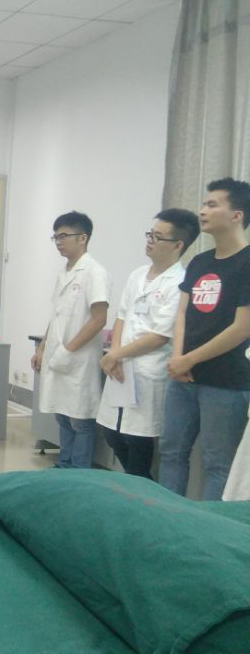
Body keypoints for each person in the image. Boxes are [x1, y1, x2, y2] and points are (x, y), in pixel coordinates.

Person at [160, 178, 250, 501]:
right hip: (183, 376)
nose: (202, 211)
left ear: (237, 215)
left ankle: (208, 524)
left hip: (226, 381)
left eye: (212, 205)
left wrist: (189, 359)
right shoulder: (200, 262)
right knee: (171, 451)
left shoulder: (247, 262)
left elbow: (242, 328)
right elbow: (182, 313)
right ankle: (167, 516)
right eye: (203, 204)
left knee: (217, 464)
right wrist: (178, 358)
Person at [97, 209, 198, 479]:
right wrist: (115, 354)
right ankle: (139, 484)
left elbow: (160, 335)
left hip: (147, 370)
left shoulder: (180, 282)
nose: (150, 241)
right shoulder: (137, 275)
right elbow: (121, 316)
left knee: (137, 439)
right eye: (150, 234)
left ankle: (139, 489)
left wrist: (116, 355)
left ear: (178, 245)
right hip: (120, 366)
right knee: (112, 433)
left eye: (158, 237)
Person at [31, 211, 110, 469]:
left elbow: (99, 319)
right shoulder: (64, 272)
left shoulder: (95, 272)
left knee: (80, 420)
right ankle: (63, 465)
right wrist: (42, 347)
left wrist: (68, 350)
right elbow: (56, 314)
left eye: (63, 236)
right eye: (55, 237)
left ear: (83, 238)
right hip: (58, 354)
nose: (58, 242)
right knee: (62, 416)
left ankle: (78, 472)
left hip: (79, 358)